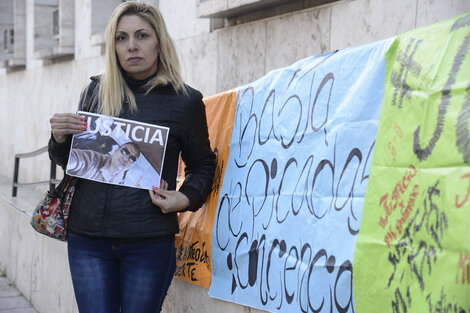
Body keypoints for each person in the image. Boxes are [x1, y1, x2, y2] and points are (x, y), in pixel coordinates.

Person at [48, 2, 215, 313]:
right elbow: (70, 160)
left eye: (141, 35)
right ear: (112, 45)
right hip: (89, 240)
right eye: (121, 38)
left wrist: (186, 198)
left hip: (148, 241)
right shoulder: (96, 91)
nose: (131, 46)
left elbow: (203, 165)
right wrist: (59, 139)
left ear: (159, 41)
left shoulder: (186, 101)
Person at [67, 142, 141, 185]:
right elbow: (74, 159)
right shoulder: (93, 160)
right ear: (116, 150)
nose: (126, 158)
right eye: (125, 151)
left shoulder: (124, 182)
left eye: (132, 159)